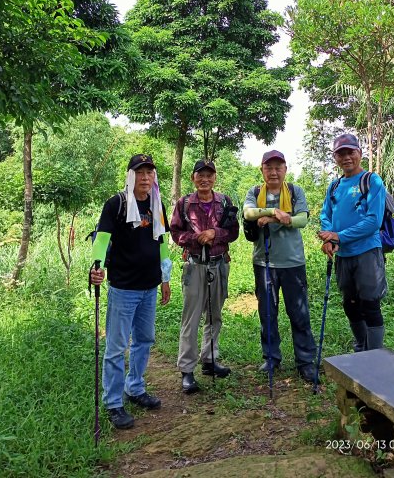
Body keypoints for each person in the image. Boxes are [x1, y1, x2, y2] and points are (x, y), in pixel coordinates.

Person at [90, 153, 172, 430]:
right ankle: (113, 402)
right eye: (140, 172)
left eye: (150, 172)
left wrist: (165, 277)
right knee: (115, 348)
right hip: (123, 288)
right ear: (130, 175)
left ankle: (135, 388)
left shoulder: (157, 203)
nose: (146, 177)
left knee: (144, 340)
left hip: (149, 286)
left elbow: (161, 242)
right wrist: (97, 265)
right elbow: (102, 239)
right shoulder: (117, 204)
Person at [243, 150, 317, 383]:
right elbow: (248, 213)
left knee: (299, 313)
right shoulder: (254, 192)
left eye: (278, 167)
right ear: (262, 170)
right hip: (264, 263)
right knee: (267, 313)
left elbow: (302, 220)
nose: (273, 172)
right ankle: (271, 358)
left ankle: (305, 361)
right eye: (269, 167)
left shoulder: (295, 192)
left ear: (285, 170)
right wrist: (273, 211)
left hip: (293, 262)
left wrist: (275, 219)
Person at [170, 159, 239, 394]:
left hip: (219, 264)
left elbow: (233, 232)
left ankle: (209, 360)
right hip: (195, 264)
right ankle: (187, 370)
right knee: (191, 318)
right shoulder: (184, 203)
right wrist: (195, 238)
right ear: (193, 178)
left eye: (209, 175)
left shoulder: (224, 202)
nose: (205, 179)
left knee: (215, 315)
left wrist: (214, 233)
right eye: (200, 175)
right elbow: (175, 232)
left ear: (215, 178)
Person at [318, 133, 387, 352]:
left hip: (367, 251)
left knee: (370, 303)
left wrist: (339, 236)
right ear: (335, 157)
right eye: (341, 153)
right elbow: (325, 214)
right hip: (343, 254)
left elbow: (373, 221)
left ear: (359, 153)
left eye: (351, 152)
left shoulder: (371, 180)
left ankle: (374, 354)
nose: (346, 157)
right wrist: (329, 236)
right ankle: (361, 346)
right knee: (350, 304)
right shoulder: (335, 186)